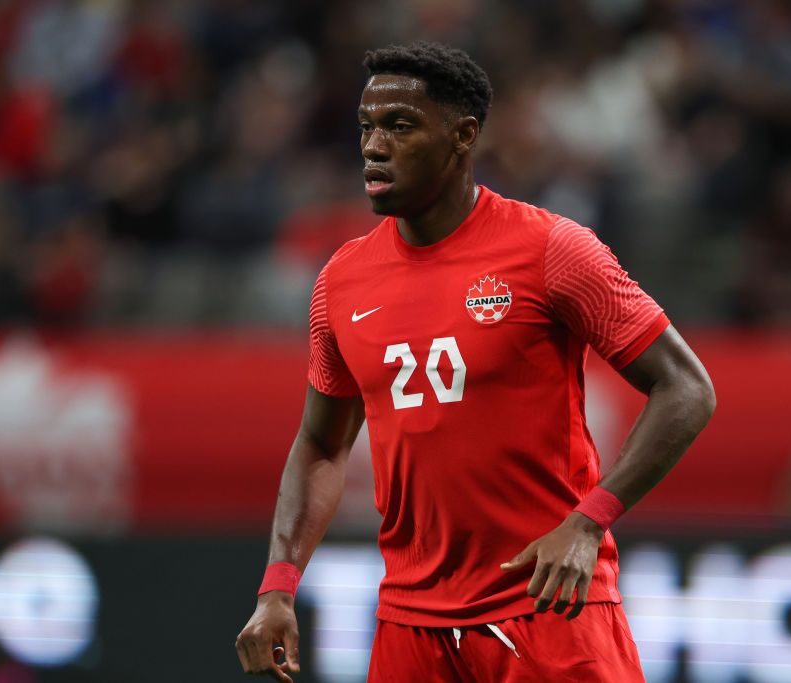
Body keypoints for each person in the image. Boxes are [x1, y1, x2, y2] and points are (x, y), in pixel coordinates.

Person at [235, 42, 715, 682]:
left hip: (546, 606)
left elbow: (686, 388)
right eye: (366, 128)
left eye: (400, 127)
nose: (375, 146)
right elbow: (321, 446)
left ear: (462, 136)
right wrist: (278, 586)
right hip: (411, 623)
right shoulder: (341, 282)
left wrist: (588, 522)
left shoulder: (551, 250)